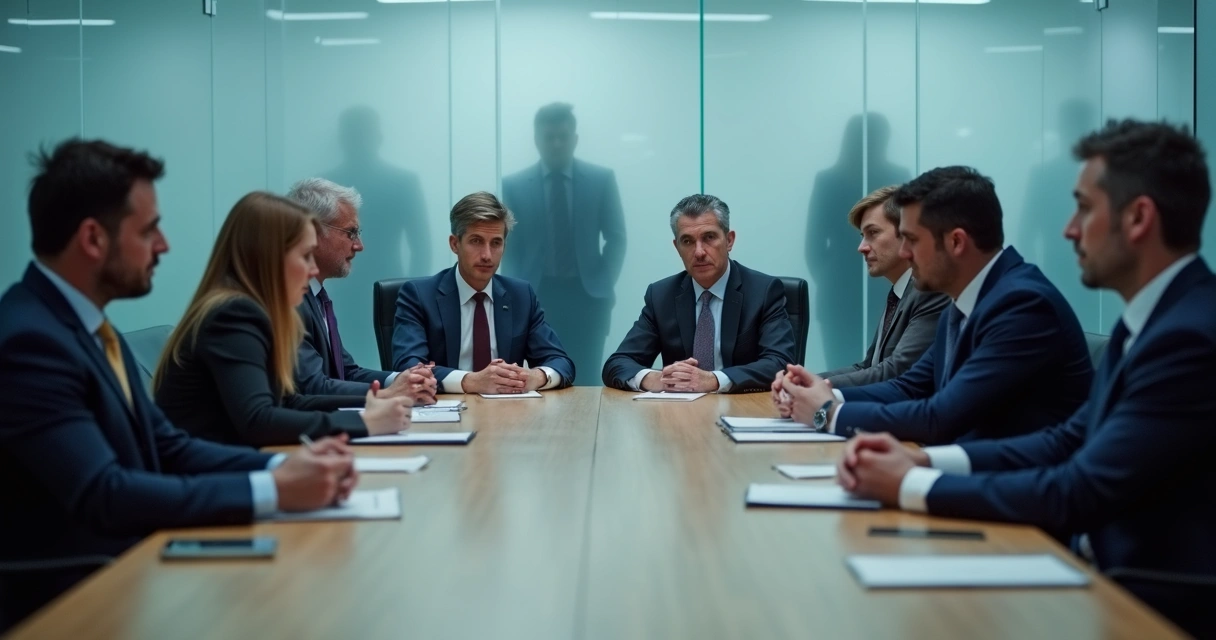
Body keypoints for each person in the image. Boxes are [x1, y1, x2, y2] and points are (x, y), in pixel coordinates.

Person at [834, 119, 1216, 639]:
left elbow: (1078, 489)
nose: (1069, 229)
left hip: (1143, 603)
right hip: (1087, 566)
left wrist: (915, 482)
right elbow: (1069, 439)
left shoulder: (1188, 336)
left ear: (1138, 218)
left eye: (1084, 207)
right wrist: (921, 460)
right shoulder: (1150, 319)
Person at [0, 139, 358, 632]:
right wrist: (271, 488)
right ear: (92, 239)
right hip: (81, 598)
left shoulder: (87, 327)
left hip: (138, 567)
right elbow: (105, 493)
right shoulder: (30, 343)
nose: (164, 245)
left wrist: (286, 464)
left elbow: (167, 446)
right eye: (149, 230)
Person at [775, 166, 1093, 444]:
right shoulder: (966, 299)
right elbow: (909, 386)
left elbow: (942, 416)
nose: (905, 254)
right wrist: (824, 391)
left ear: (956, 242)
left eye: (912, 240)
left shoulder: (1022, 304)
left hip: (1020, 494)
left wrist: (828, 413)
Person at [154, 192, 412, 447]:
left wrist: (378, 398)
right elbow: (258, 420)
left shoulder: (255, 308)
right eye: (305, 256)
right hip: (209, 474)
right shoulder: (233, 313)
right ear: (270, 254)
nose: (312, 270)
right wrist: (365, 422)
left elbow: (289, 400)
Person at [603, 194, 796, 393]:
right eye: (687, 241)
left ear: (729, 240)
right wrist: (653, 378)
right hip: (680, 415)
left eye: (709, 237)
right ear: (677, 247)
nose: (699, 252)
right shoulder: (661, 296)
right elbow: (617, 363)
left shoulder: (763, 291)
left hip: (745, 410)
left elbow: (780, 363)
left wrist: (714, 380)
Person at [391, 191, 575, 393]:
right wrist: (471, 381)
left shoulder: (521, 296)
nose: (487, 255)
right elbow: (409, 369)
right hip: (444, 412)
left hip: (507, 413)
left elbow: (561, 362)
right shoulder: (418, 295)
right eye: (476, 241)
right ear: (455, 244)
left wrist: (536, 377)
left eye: (496, 243)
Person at [501, 103, 626, 385]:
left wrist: (603, 282)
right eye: (549, 137)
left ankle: (588, 431)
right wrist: (516, 291)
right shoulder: (514, 185)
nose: (556, 144)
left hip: (588, 296)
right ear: (536, 140)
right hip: (536, 296)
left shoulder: (600, 180)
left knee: (588, 375)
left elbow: (616, 238)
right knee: (541, 376)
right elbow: (508, 245)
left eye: (563, 136)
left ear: (575, 139)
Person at [286, 178, 437, 405]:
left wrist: (402, 379)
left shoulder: (318, 297)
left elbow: (347, 372)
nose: (359, 245)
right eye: (351, 232)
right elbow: (313, 386)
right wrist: (389, 394)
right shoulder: (290, 299)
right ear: (314, 233)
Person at [324, 105, 432, 366]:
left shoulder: (404, 181)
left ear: (378, 138)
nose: (359, 141)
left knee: (391, 355)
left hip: (389, 286)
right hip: (339, 285)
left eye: (364, 134)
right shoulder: (325, 185)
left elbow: (421, 245)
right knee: (337, 356)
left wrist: (414, 294)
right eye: (354, 134)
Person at [806, 113, 912, 370]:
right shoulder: (828, 179)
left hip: (879, 286)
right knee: (848, 364)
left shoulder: (899, 175)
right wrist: (834, 280)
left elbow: (815, 247)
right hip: (838, 291)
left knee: (888, 364)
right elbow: (814, 245)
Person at [818, 185, 949, 387]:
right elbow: (869, 366)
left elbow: (896, 371)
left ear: (907, 234)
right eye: (863, 236)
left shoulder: (930, 291)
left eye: (873, 233)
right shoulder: (899, 292)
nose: (862, 248)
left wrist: (819, 387)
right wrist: (808, 380)